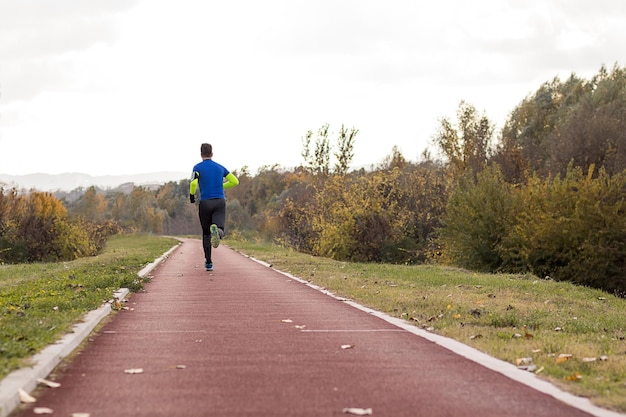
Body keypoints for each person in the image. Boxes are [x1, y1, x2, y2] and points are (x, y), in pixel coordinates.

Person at [189, 143, 239, 271]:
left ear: (201, 154)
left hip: (205, 202)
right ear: (212, 153)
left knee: (206, 233)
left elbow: (194, 183)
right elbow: (235, 181)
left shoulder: (197, 167)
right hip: (219, 201)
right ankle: (218, 232)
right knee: (219, 226)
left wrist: (191, 195)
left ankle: (209, 262)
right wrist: (220, 186)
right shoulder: (220, 167)